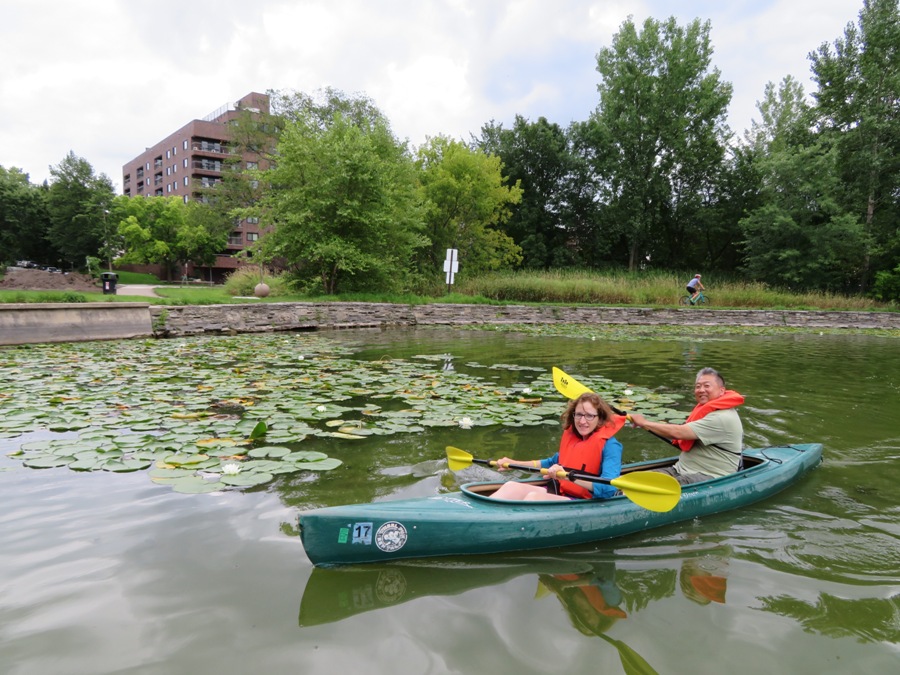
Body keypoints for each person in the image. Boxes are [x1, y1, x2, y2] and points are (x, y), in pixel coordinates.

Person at [490, 392, 627, 501]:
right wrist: (513, 463)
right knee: (511, 487)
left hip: (586, 501)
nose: (582, 421)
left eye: (590, 416)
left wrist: (567, 477)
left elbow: (608, 488)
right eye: (579, 414)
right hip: (562, 493)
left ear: (600, 418)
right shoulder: (574, 439)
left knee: (534, 498)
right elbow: (550, 462)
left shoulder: (610, 445)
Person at [628, 367, 744, 485]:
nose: (701, 390)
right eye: (698, 386)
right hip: (680, 469)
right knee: (636, 480)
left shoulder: (721, 417)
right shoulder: (709, 411)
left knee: (654, 487)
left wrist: (644, 422)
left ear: (721, 391)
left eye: (707, 386)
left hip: (710, 475)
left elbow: (678, 432)